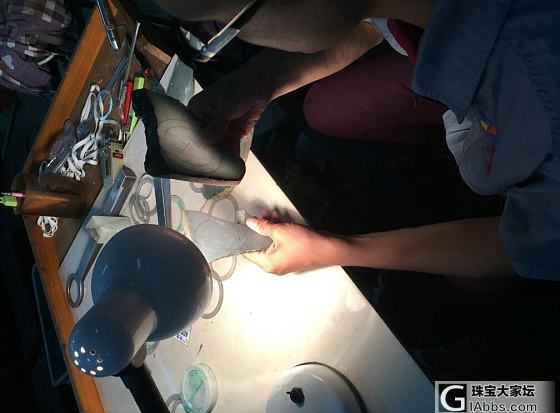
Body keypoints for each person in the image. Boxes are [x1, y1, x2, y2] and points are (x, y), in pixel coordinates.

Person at [156, 0, 560, 281]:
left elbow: (515, 247)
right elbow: (368, 20)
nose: (218, 36)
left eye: (218, 28)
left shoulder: (545, 117)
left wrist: (338, 249)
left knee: (474, 286)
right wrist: (259, 81)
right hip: (470, 65)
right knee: (324, 111)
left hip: (521, 119)